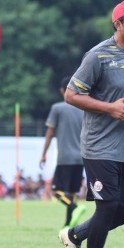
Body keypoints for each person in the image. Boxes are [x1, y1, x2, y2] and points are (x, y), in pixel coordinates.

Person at [58, 0, 124, 248]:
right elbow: (71, 95)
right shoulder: (97, 56)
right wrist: (109, 108)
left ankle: (73, 236)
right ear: (118, 24)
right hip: (98, 146)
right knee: (107, 207)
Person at [40, 76, 86, 228]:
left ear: (62, 90)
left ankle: (74, 208)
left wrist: (44, 154)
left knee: (56, 191)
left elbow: (49, 133)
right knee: (72, 193)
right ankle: (68, 225)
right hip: (81, 157)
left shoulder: (58, 108)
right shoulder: (84, 109)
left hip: (65, 157)